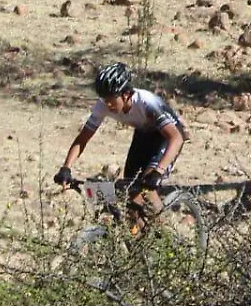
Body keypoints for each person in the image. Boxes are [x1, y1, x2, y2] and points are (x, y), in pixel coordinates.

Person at [54, 62, 188, 227]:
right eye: (104, 99)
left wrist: (158, 172)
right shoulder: (103, 105)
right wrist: (66, 167)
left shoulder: (147, 103)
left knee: (147, 190)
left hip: (168, 137)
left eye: (111, 100)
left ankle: (168, 238)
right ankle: (141, 246)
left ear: (125, 94)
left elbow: (176, 138)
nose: (108, 105)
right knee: (130, 192)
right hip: (144, 135)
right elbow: (83, 138)